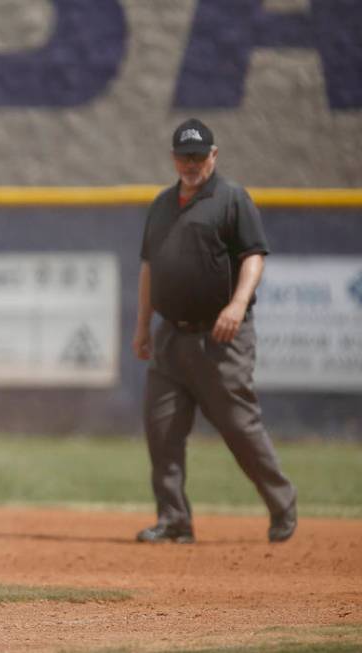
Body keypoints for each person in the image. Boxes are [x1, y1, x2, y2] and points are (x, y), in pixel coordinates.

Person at [132, 118, 297, 544]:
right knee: (162, 429)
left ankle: (282, 503)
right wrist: (142, 326)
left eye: (199, 156)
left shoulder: (231, 199)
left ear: (214, 155)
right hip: (171, 335)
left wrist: (237, 305)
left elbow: (253, 256)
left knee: (239, 427)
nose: (191, 163)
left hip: (220, 337)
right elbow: (149, 268)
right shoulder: (162, 205)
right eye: (184, 156)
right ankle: (174, 520)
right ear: (173, 158)